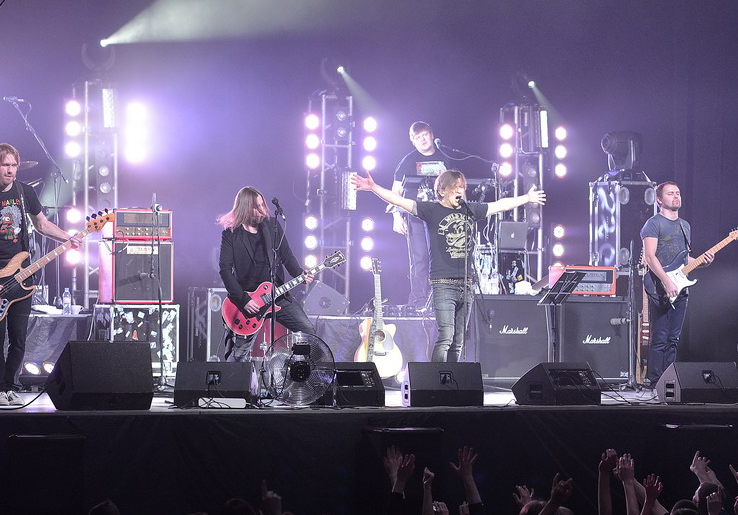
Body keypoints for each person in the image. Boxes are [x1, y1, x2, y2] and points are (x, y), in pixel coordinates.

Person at [352, 169, 545, 363]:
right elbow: (399, 200)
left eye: (462, 187)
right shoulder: (432, 210)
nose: (459, 191)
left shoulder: (470, 210)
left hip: (466, 285)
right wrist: (373, 187)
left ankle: (452, 376)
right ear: (442, 190)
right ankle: (437, 377)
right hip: (443, 284)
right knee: (446, 336)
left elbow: (499, 205)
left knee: (458, 341)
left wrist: (527, 198)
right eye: (454, 187)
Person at [0, 143, 82, 406]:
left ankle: (11, 387)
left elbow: (41, 224)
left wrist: (68, 237)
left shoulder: (25, 193)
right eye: (5, 165)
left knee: (18, 337)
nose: (11, 170)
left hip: (22, 276)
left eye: (14, 165)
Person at [217, 186, 316, 362]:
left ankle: (297, 371)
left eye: (263, 205)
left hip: (277, 295)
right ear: (245, 208)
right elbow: (225, 270)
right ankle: (234, 379)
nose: (263, 210)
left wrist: (300, 274)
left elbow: (287, 256)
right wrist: (243, 300)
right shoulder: (231, 234)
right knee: (239, 354)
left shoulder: (272, 226)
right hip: (249, 301)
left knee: (308, 332)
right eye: (257, 207)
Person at [640, 182, 713, 389]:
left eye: (678, 193)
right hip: (660, 287)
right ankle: (655, 382)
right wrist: (666, 280)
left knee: (674, 339)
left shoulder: (685, 226)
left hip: (680, 287)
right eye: (671, 193)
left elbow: (683, 259)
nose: (676, 196)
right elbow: (650, 257)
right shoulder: (653, 224)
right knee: (660, 337)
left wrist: (703, 262)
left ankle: (668, 382)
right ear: (659, 200)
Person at [390, 122, 452, 313]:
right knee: (420, 259)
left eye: (425, 135)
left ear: (432, 135)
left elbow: (457, 187)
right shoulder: (408, 161)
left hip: (442, 217)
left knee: (441, 258)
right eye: (418, 137)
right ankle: (419, 302)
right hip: (416, 217)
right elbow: (395, 191)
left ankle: (439, 301)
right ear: (413, 141)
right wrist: (396, 216)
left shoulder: (445, 158)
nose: (423, 140)